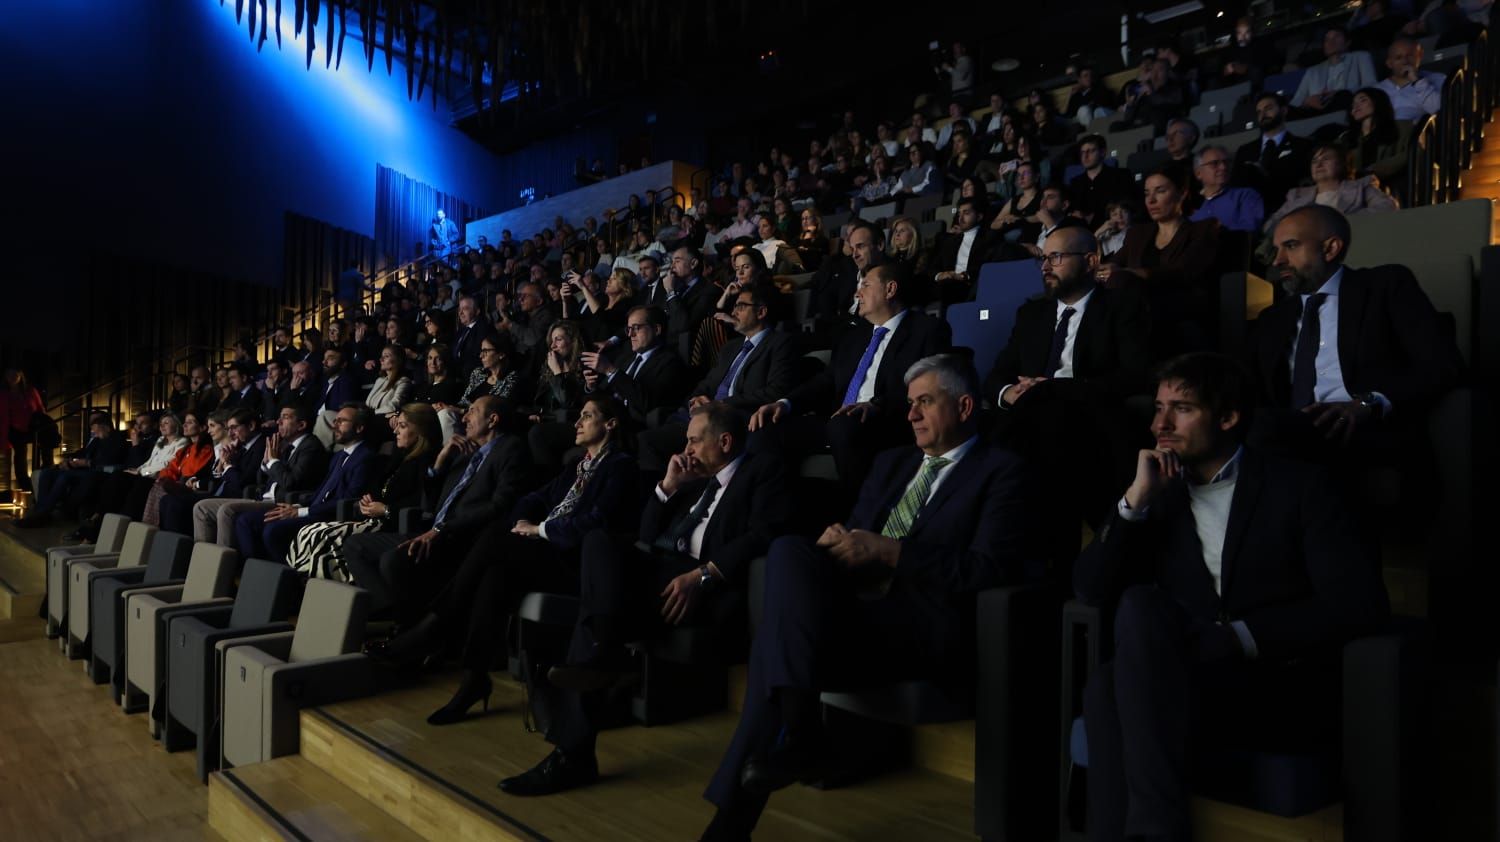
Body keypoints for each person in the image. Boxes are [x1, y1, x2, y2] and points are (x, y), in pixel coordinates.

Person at [695, 355, 1035, 839]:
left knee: (777, 649)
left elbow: (988, 569)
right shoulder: (892, 462)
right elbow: (859, 531)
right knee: (792, 549)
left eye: (925, 402)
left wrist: (890, 551)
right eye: (910, 403)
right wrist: (841, 539)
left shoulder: (1002, 472)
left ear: (963, 406)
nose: (912, 414)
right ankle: (801, 734)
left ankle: (738, 813)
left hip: (921, 626)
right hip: (856, 610)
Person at [1076, 351, 1390, 842]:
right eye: (1157, 408)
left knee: (1108, 685)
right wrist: (1134, 503)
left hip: (1274, 685)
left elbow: (1360, 604)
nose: (1160, 423)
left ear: (1227, 417)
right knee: (1130, 624)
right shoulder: (1159, 494)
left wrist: (1239, 638)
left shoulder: (1301, 486)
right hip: (1191, 684)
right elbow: (1089, 589)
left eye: (1181, 408)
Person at [501, 402, 791, 797]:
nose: (685, 450)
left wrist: (703, 574)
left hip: (704, 586)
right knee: (598, 543)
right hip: (661, 573)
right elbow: (646, 534)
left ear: (724, 441)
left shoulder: (762, 470)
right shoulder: (694, 479)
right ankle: (604, 648)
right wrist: (668, 486)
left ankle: (575, 751)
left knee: (591, 618)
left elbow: (766, 533)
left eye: (693, 441)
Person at [372, 398, 638, 726]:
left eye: (587, 416)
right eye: (579, 415)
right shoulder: (575, 466)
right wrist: (526, 520)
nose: (577, 423)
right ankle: (473, 678)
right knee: (495, 574)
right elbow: (531, 499)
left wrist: (538, 528)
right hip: (544, 551)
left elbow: (596, 523)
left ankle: (435, 628)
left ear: (610, 424)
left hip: (576, 561)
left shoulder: (620, 466)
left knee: (496, 539)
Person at [1248, 205, 1461, 453]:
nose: (1278, 260)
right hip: (1289, 433)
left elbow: (1443, 366)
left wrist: (1368, 403)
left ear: (1330, 248)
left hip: (1365, 430)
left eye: (1291, 245)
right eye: (1277, 249)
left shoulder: (1386, 286)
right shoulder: (1272, 318)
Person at [750, 262, 952, 499]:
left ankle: (858, 512)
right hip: (837, 420)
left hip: (886, 420)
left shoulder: (927, 330)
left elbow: (928, 386)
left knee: (844, 425)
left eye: (865, 285)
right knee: (765, 428)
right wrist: (785, 403)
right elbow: (826, 381)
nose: (857, 293)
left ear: (890, 290)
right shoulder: (853, 336)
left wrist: (876, 405)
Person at [342, 395, 529, 619]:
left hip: (458, 536)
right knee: (355, 545)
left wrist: (443, 529)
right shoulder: (464, 452)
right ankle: (389, 611)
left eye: (472, 411)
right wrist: (440, 461)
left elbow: (499, 505)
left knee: (393, 560)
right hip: (430, 529)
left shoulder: (510, 448)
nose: (464, 416)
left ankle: (405, 624)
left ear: (493, 419)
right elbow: (430, 504)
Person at [638, 284, 797, 472]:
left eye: (741, 306)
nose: (734, 311)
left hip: (733, 421)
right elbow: (707, 383)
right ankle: (667, 494)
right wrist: (696, 399)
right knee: (644, 442)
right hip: (700, 417)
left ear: (761, 312)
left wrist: (721, 404)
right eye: (734, 306)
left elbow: (775, 391)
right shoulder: (731, 347)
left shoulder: (781, 343)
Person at [285, 404, 440, 581]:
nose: (396, 431)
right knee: (308, 532)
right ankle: (302, 587)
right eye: (397, 425)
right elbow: (379, 487)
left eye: (403, 426)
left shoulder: (427, 461)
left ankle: (323, 589)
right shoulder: (401, 456)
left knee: (320, 535)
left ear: (421, 431)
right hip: (371, 517)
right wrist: (368, 500)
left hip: (389, 523)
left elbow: (420, 502)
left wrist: (385, 509)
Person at [232, 403, 377, 564]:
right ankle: (257, 572)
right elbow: (321, 491)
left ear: (359, 428)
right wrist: (297, 507)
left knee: (273, 530)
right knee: (245, 521)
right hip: (312, 509)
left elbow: (349, 500)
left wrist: (303, 512)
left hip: (330, 516)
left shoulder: (366, 458)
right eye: (335, 421)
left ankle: (288, 578)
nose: (335, 425)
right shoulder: (339, 456)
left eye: (341, 421)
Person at [1098, 170, 1221, 357]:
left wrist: (1132, 273)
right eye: (1147, 193)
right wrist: (1109, 270)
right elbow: (1113, 265)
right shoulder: (1138, 233)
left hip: (1180, 310)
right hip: (1135, 311)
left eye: (1160, 191)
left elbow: (1183, 272)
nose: (1151, 200)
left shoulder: (1203, 229)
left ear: (1182, 193)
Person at [191, 403, 328, 547]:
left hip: (281, 503)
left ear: (301, 425)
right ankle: (203, 557)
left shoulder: (311, 446)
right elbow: (260, 479)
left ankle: (222, 562)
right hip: (262, 497)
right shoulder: (283, 445)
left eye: (285, 417)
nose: (278, 421)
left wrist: (273, 461)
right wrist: (265, 463)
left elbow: (290, 483)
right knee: (202, 508)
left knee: (227, 511)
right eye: (279, 417)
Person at [1260, 142, 1398, 248]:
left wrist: (1342, 222)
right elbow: (1270, 226)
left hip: (1352, 247)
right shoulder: (1296, 195)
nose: (1318, 164)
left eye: (1325, 159)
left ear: (1342, 164)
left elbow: (1388, 207)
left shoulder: (1361, 186)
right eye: (1314, 161)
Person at [580, 306, 693, 428]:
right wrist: (591, 387)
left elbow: (648, 403)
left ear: (656, 329)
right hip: (602, 422)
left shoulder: (670, 362)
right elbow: (603, 397)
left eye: (636, 328)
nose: (630, 334)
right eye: (628, 329)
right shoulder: (625, 358)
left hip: (630, 426)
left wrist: (609, 370)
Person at [18, 412, 125, 527]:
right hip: (85, 468)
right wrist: (68, 460)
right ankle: (40, 511)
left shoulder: (117, 439)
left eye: (96, 430)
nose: (95, 433)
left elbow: (110, 460)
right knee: (47, 473)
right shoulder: (97, 439)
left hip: (98, 472)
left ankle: (41, 515)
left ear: (105, 426)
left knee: (65, 476)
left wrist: (87, 463)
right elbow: (83, 452)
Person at [1232, 92, 1313, 216]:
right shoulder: (1244, 151)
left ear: (1284, 111)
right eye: (1259, 112)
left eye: (1268, 109)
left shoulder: (1303, 146)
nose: (1263, 115)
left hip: (1288, 211)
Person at [1291, 27, 1379, 116]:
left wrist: (1339, 94)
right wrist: (1307, 101)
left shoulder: (1360, 57)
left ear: (1347, 42)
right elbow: (1295, 102)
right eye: (1327, 39)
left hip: (1349, 107)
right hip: (1319, 112)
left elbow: (1371, 85)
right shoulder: (1312, 71)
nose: (1330, 42)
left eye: (1336, 37)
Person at [1339, 87, 1412, 189]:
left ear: (1378, 102)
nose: (1356, 106)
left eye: (1363, 100)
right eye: (1353, 104)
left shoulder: (1403, 127)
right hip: (1358, 190)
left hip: (1394, 186)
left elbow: (1412, 153)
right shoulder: (1346, 139)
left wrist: (1375, 169)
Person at [933, 197, 1001, 303]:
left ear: (979, 216)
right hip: (949, 284)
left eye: (966, 213)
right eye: (959, 214)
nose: (960, 218)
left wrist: (964, 276)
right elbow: (934, 267)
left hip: (974, 284)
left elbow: (989, 265)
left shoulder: (989, 237)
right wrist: (940, 275)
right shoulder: (949, 242)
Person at [1189, 145, 1265, 233]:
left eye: (1226, 162)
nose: (1223, 167)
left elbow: (1250, 231)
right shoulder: (1190, 205)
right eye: (1214, 163)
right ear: (1198, 173)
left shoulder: (1245, 196)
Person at [1069, 135, 1138, 228]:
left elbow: (1127, 207)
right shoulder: (1075, 183)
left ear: (1103, 152)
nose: (1085, 156)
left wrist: (1092, 217)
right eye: (1083, 152)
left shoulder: (1121, 176)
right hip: (1083, 232)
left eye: (1091, 151)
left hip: (1114, 229)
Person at [1375, 36, 1444, 120]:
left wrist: (1417, 81)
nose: (1405, 61)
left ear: (1420, 55)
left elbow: (1439, 110)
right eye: (1398, 58)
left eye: (1410, 56)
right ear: (1389, 63)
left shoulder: (1437, 79)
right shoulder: (1377, 90)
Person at [1, 368, 45, 501]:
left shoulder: (30, 391)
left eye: (15, 374)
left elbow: (40, 408)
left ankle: (41, 480)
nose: (12, 377)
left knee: (44, 449)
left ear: (21, 376)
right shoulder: (4, 393)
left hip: (33, 428)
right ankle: (26, 486)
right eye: (9, 374)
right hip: (15, 430)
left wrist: (43, 423)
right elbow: (3, 415)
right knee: (20, 457)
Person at [459, 333, 522, 408]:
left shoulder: (512, 379)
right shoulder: (478, 373)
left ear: (501, 354)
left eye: (485, 351)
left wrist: (462, 410)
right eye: (481, 351)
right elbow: (463, 401)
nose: (481, 356)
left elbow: (495, 408)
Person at [366, 345, 415, 421]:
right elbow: (368, 403)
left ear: (398, 360)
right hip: (370, 420)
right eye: (381, 356)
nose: (381, 359)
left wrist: (370, 413)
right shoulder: (379, 380)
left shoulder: (404, 382)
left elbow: (394, 406)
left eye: (386, 356)